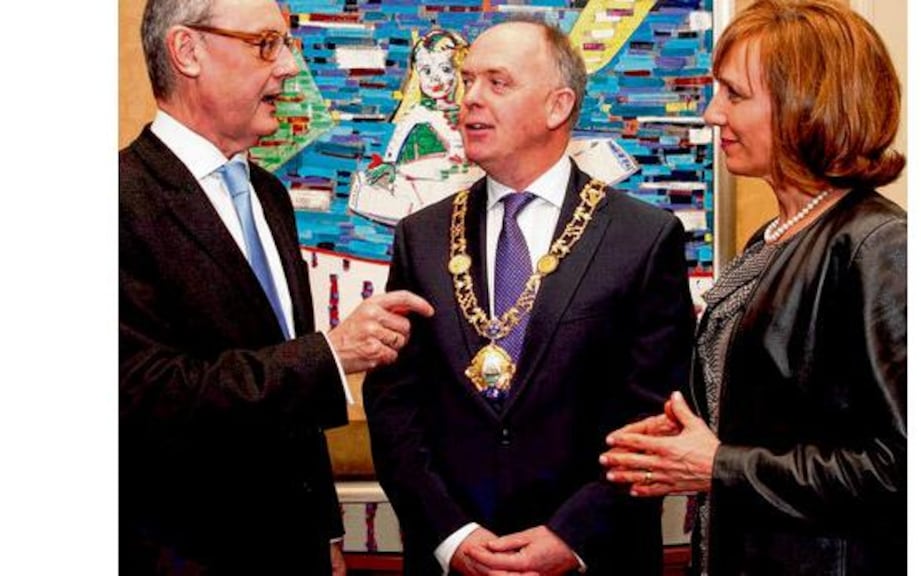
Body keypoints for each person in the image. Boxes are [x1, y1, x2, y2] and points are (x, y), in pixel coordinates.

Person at [363, 18, 696, 576]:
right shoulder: (420, 237)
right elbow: (395, 405)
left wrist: (572, 537)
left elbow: (654, 417)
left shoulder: (642, 238)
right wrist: (452, 536)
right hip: (455, 558)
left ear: (557, 106)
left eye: (497, 82)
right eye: (468, 81)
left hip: (593, 558)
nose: (470, 98)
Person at [120, 0, 434, 574]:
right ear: (187, 51)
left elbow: (291, 405)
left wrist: (325, 530)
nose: (289, 66)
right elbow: (145, 398)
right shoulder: (117, 200)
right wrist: (331, 354)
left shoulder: (269, 195)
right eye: (266, 44)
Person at [599, 1, 907, 574]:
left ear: (808, 105)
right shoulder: (773, 237)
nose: (713, 114)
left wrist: (718, 465)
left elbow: (901, 469)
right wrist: (692, 433)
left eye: (735, 95)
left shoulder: (879, 246)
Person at [349, 28, 482, 225]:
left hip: (463, 181)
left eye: (445, 69)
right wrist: (389, 164)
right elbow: (397, 142)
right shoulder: (419, 112)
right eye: (426, 71)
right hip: (424, 181)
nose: (434, 78)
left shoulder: (473, 113)